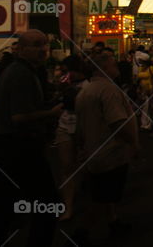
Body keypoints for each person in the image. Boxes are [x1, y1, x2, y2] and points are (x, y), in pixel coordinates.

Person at [0, 30, 63, 247]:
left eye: (44, 45)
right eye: (36, 45)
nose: (42, 50)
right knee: (48, 203)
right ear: (21, 48)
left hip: (8, 145)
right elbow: (19, 116)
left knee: (4, 204)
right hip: (19, 145)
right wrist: (51, 112)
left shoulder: (23, 71)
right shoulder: (21, 74)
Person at [73, 51, 139, 244]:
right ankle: (80, 234)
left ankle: (114, 222)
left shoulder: (85, 91)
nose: (117, 67)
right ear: (103, 68)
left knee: (104, 193)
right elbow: (118, 123)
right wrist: (133, 143)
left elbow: (80, 128)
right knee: (100, 198)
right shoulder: (109, 90)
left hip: (93, 151)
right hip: (110, 152)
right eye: (113, 64)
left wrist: (81, 148)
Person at [55, 55, 90, 222]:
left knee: (84, 165)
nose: (66, 74)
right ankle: (68, 206)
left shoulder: (88, 86)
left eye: (68, 71)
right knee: (66, 166)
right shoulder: (64, 82)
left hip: (84, 127)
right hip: (65, 125)